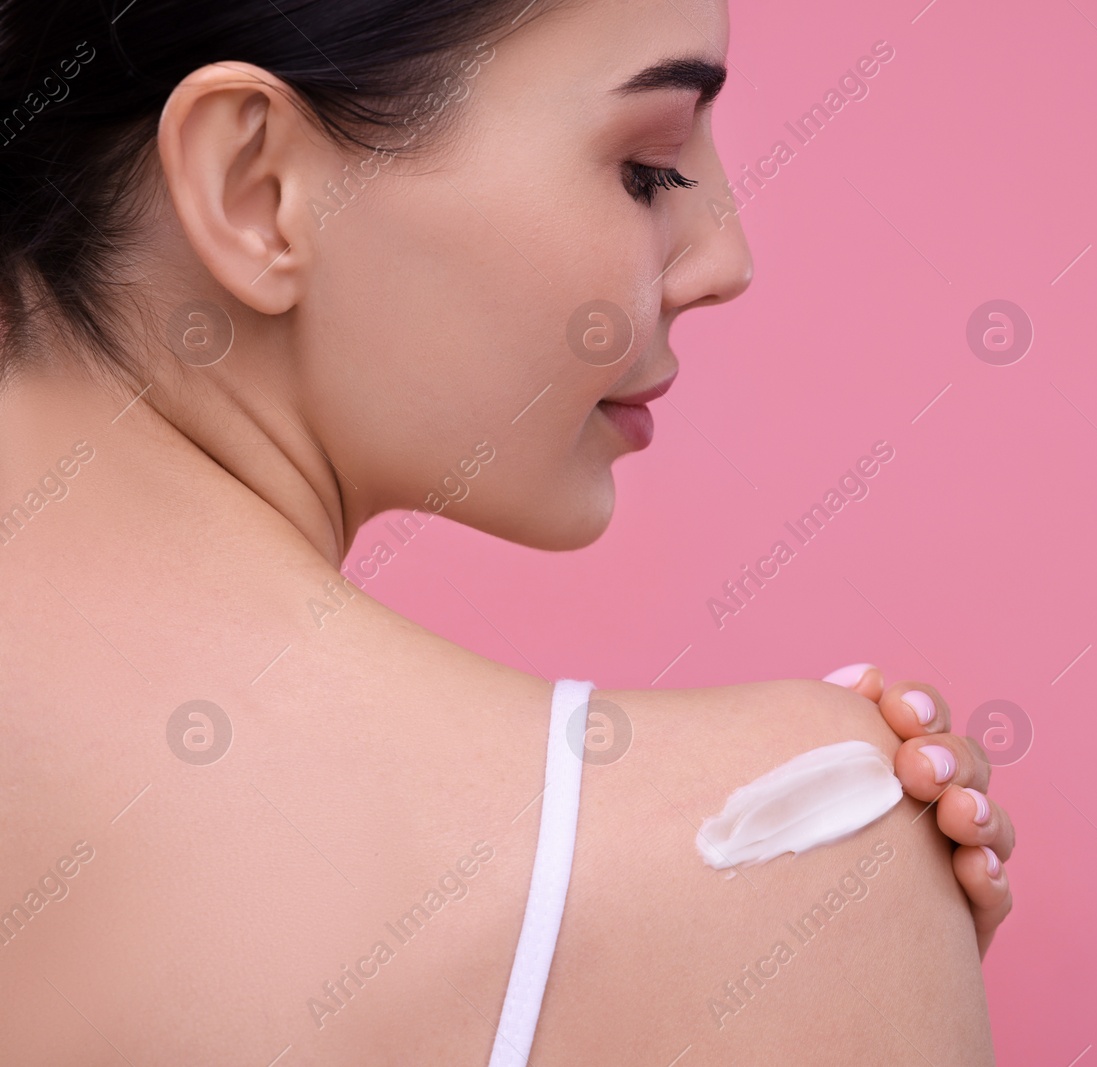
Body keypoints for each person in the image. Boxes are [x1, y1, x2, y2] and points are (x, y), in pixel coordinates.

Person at [0, 0, 1016, 1062]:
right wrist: (850, 942)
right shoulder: (791, 830)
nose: (725, 259)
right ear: (254, 187)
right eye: (649, 168)